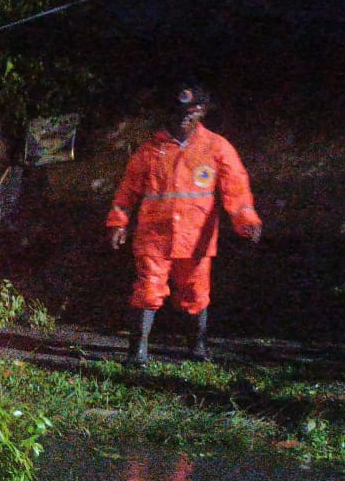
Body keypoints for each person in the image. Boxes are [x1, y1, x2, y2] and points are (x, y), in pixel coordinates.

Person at [107, 83, 263, 366]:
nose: (183, 118)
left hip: (196, 239)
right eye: (178, 112)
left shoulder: (217, 148)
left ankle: (197, 347)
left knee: (195, 292)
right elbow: (127, 191)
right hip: (154, 236)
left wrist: (246, 221)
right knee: (148, 288)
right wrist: (119, 222)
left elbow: (236, 189)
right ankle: (137, 353)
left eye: (190, 112)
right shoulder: (150, 150)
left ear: (201, 112)